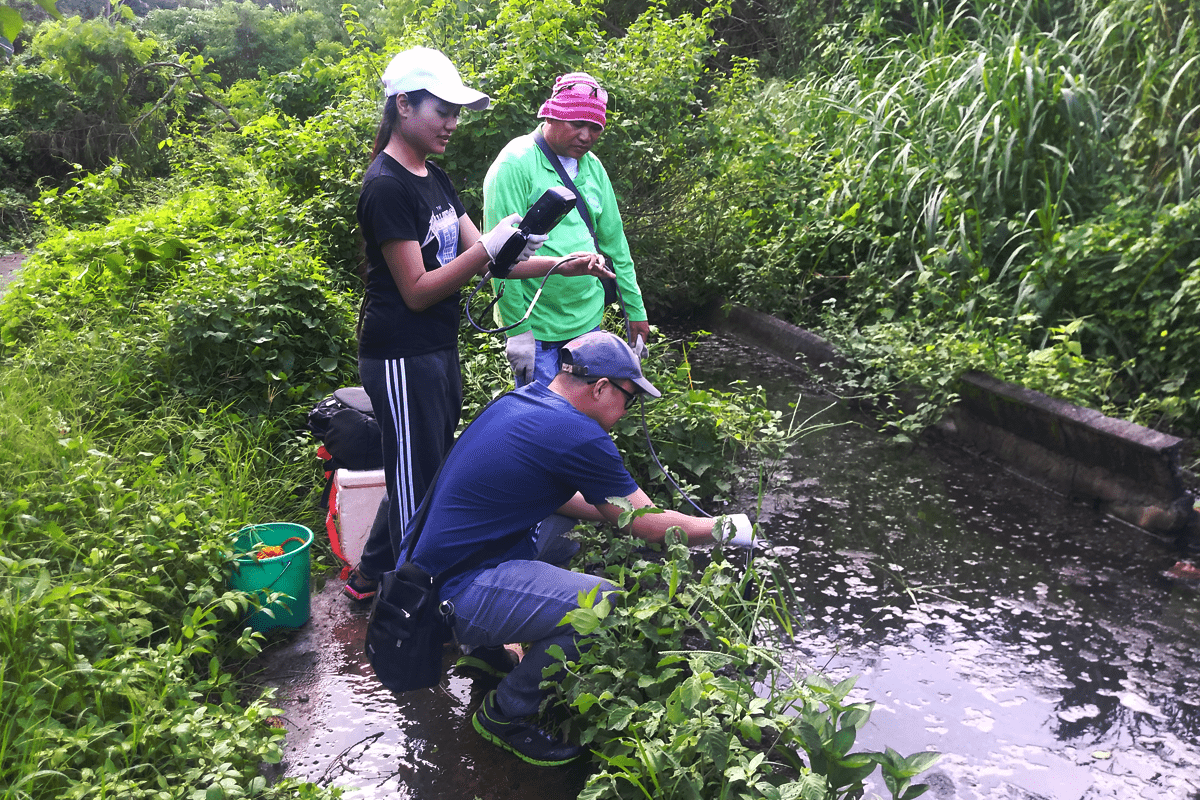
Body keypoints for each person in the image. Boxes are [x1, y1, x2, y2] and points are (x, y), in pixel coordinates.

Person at [400, 330, 754, 766]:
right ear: (601, 387)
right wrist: (725, 528)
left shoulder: (527, 401)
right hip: (453, 593)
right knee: (601, 604)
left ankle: (490, 653)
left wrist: (614, 511)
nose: (628, 410)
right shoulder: (579, 434)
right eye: (629, 397)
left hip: (424, 575)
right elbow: (649, 527)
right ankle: (504, 714)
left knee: (559, 524)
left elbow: (565, 498)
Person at [345, 47, 613, 602]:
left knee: (425, 466)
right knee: (418, 482)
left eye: (456, 111)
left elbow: (496, 261)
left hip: (436, 347)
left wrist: (554, 259)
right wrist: (488, 247)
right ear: (403, 106)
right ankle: (411, 609)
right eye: (441, 109)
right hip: (400, 352)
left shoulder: (432, 176)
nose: (452, 122)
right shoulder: (386, 186)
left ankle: (370, 578)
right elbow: (417, 291)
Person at [483, 72, 651, 388]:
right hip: (540, 332)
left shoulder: (592, 167)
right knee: (546, 427)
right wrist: (517, 332)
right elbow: (500, 258)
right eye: (577, 124)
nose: (586, 136)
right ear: (552, 114)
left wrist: (636, 311)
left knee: (584, 421)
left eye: (595, 128)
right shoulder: (515, 164)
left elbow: (616, 246)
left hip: (589, 324)